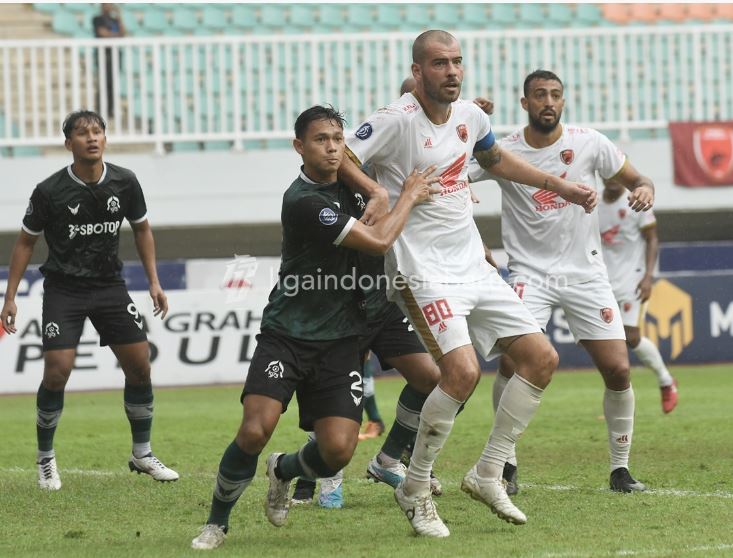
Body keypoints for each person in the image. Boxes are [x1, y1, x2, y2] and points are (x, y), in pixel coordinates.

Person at [339, 30, 597, 538]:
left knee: (542, 359)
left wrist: (559, 184)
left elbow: (495, 160)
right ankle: (413, 488)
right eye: (439, 63)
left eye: (457, 62)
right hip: (422, 270)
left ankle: (487, 471)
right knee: (460, 374)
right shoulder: (395, 121)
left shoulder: (472, 117)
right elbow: (344, 155)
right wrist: (375, 190)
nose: (452, 71)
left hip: (473, 265)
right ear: (418, 72)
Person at [190, 105, 440, 550]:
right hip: (288, 334)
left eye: (337, 139)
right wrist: (407, 196)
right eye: (320, 139)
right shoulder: (304, 201)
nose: (331, 147)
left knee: (337, 452)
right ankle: (215, 524)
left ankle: (283, 470)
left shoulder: (353, 182)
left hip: (342, 338)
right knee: (254, 429)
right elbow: (381, 240)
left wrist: (384, 195)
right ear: (298, 147)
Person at [469, 69, 655, 496]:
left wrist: (645, 190)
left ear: (563, 101)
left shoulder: (590, 142)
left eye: (555, 95)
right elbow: (452, 173)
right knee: (514, 363)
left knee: (618, 368)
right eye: (539, 95)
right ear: (525, 104)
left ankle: (620, 469)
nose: (548, 102)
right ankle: (505, 462)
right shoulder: (503, 150)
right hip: (529, 274)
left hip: (586, 273)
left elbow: (639, 179)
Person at [0, 110, 178, 491]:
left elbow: (142, 229)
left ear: (105, 139)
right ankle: (46, 459)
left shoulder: (125, 182)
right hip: (64, 289)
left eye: (98, 131)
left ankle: (142, 453)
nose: (92, 138)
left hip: (109, 286)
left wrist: (154, 281)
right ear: (69, 144)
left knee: (140, 366)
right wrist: (10, 296)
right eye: (83, 134)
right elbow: (26, 242)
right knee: (57, 371)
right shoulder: (49, 190)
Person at [599, 177, 678, 413]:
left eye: (617, 174)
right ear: (601, 174)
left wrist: (648, 276)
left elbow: (652, 238)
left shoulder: (636, 200)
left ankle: (666, 381)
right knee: (594, 340)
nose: (613, 179)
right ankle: (619, 394)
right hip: (602, 281)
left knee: (631, 337)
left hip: (633, 279)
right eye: (608, 173)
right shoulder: (592, 203)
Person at [92, 3, 126, 116]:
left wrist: (119, 16)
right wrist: (116, 35)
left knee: (112, 83)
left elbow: (123, 33)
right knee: (103, 83)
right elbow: (103, 34)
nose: (109, 6)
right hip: (104, 56)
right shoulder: (97, 19)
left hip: (114, 55)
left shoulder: (114, 20)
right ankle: (100, 110)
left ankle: (110, 110)